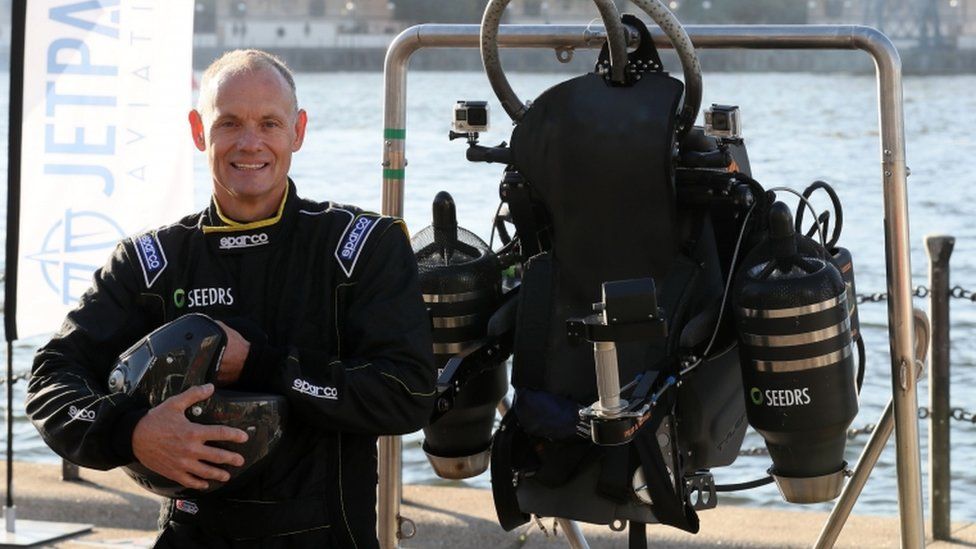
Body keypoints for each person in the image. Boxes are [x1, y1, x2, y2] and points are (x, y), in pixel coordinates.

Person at [26, 49, 436, 548]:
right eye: (229, 124)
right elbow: (50, 378)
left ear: (298, 131)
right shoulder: (150, 259)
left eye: (269, 123)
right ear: (200, 131)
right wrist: (132, 433)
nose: (250, 143)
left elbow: (408, 394)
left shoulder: (361, 246)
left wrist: (264, 366)